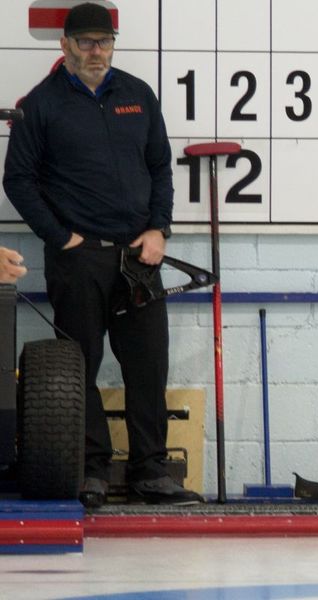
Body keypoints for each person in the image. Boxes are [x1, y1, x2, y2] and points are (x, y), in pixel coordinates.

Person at [3, 3, 201, 508]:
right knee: (79, 367)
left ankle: (150, 472)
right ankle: (90, 470)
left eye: (104, 41)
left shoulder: (138, 95)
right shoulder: (39, 105)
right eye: (86, 42)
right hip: (79, 259)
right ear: (65, 45)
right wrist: (60, 237)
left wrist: (159, 229)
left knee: (147, 366)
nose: (97, 51)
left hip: (140, 257)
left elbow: (160, 167)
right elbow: (18, 180)